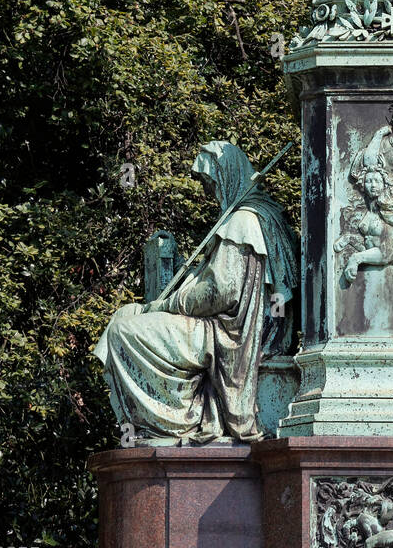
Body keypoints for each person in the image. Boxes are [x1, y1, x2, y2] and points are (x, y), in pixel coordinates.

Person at [94, 141, 299, 444]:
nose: (207, 191)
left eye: (209, 182)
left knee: (125, 330)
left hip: (229, 334)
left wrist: (166, 304)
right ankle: (151, 425)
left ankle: (170, 424)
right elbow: (215, 277)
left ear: (226, 176)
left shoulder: (245, 220)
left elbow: (220, 292)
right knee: (125, 316)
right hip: (226, 326)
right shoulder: (252, 217)